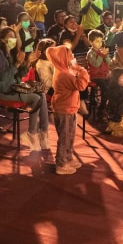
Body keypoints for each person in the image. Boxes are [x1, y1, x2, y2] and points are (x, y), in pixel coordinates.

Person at [0, 26, 50, 152]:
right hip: (3, 91)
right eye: (10, 37)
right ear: (2, 39)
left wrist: (28, 62)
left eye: (14, 37)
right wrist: (17, 63)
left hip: (13, 88)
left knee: (42, 94)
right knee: (36, 98)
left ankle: (43, 133)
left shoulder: (11, 53)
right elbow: (3, 78)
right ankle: (32, 132)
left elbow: (19, 76)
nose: (14, 40)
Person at [46, 44, 89, 174]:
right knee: (65, 137)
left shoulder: (63, 70)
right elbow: (81, 85)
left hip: (69, 107)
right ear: (63, 58)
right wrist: (81, 70)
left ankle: (68, 158)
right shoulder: (63, 74)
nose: (73, 57)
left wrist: (74, 68)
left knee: (69, 135)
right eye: (70, 55)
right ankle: (61, 163)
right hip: (64, 109)